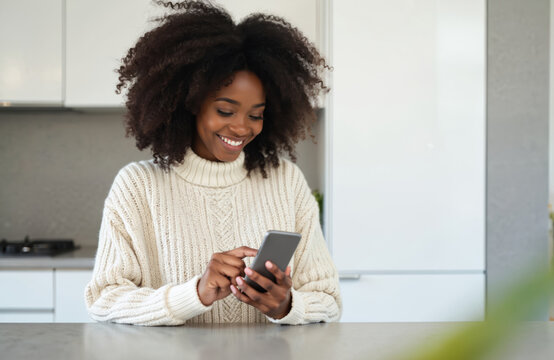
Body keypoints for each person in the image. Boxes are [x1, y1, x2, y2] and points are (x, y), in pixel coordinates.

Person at [85, 0, 341, 326]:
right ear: (190, 102)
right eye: (225, 110)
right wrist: (197, 293)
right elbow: (104, 299)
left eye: (256, 115)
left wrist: (287, 305)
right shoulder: (137, 185)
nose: (241, 128)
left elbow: (328, 300)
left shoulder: (285, 180)